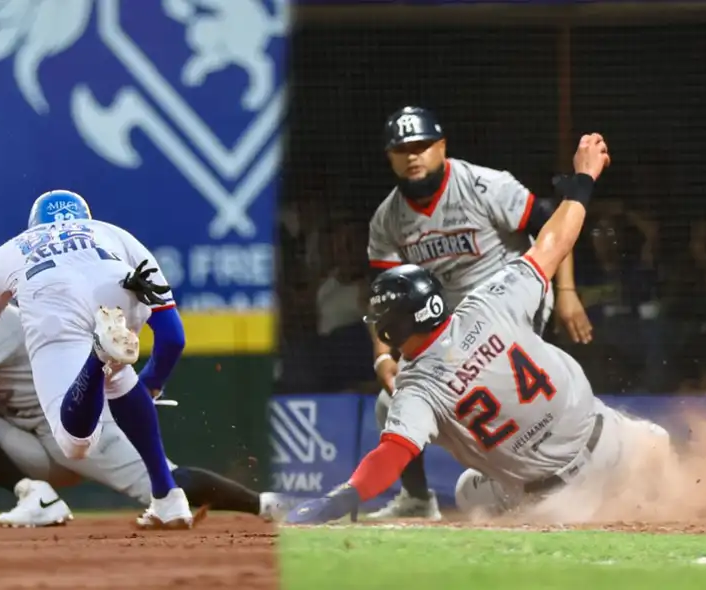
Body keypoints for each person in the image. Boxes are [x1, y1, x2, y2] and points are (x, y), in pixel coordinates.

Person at [287, 134, 671, 526]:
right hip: (612, 443)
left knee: (468, 490)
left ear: (392, 331)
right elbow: (553, 241)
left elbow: (390, 456)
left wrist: (339, 500)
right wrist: (584, 180)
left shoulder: (417, 390)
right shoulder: (490, 301)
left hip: (560, 501)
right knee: (659, 443)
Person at [0, 228, 290, 526]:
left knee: (166, 480)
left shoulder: (2, 321)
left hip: (82, 421)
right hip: (30, 446)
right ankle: (34, 494)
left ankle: (264, 504)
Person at [363, 106, 593, 520]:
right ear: (389, 157)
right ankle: (417, 499)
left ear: (442, 146)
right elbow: (382, 295)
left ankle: (563, 462)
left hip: (510, 300)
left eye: (422, 145)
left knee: (499, 385)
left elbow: (552, 227)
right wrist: (383, 356)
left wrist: (567, 291)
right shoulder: (386, 219)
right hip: (449, 325)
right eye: (402, 149)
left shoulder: (485, 185)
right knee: (388, 403)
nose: (413, 156)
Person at [0, 190, 200, 529]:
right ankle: (168, 499)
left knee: (75, 444)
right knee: (119, 380)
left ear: (34, 225)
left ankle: (98, 355)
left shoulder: (15, 248)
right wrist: (152, 384)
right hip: (120, 293)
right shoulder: (112, 233)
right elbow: (173, 337)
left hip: (55, 304)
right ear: (84, 218)